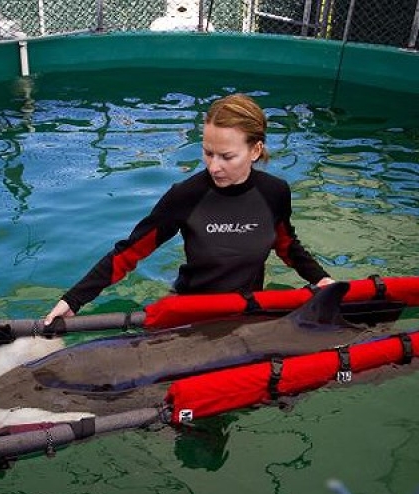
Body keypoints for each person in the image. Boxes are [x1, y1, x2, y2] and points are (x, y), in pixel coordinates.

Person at [44, 93, 334, 325]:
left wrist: (321, 279)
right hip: (190, 312)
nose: (214, 166)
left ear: (255, 151)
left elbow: (286, 246)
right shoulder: (186, 195)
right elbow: (129, 253)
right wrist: (72, 301)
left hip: (247, 310)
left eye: (227, 156)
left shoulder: (274, 192)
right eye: (208, 153)